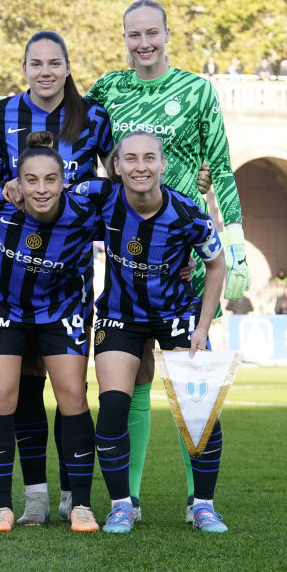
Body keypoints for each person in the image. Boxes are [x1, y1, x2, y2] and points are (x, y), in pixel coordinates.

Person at [83, 0, 248, 524]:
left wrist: (235, 242)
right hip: (128, 259)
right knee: (130, 386)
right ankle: (124, 502)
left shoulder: (197, 89)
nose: (144, 42)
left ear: (167, 34)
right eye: (134, 34)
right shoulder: (108, 89)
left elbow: (219, 166)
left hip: (187, 258)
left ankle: (200, 503)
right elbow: (71, 133)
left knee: (192, 397)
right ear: (125, 38)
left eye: (152, 32)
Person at [0, 30, 114, 526]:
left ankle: (75, 499)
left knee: (71, 394)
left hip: (67, 285)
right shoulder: (3, 116)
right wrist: (6, 186)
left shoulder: (94, 117)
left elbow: (118, 186)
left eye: (55, 63)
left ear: (68, 67)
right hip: (10, 286)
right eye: (36, 63)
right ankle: (30, 497)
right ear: (25, 68)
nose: (46, 72)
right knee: (18, 393)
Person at [75, 131, 226, 533]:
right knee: (112, 409)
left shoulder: (188, 212)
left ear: (161, 164)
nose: (139, 166)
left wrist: (203, 325)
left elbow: (216, 264)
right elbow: (51, 187)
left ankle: (203, 506)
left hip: (176, 314)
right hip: (120, 315)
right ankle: (123, 506)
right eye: (130, 159)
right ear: (117, 166)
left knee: (201, 412)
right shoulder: (102, 196)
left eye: (148, 158)